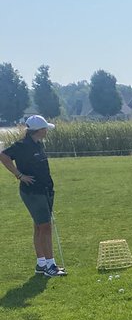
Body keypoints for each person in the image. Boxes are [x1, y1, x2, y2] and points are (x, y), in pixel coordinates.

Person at [0, 114, 67, 277]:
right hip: (33, 192)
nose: (47, 131)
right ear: (40, 130)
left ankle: (41, 263)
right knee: (45, 226)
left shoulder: (38, 144)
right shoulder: (23, 145)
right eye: (45, 129)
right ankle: (50, 265)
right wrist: (19, 175)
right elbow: (3, 156)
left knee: (39, 226)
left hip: (44, 190)